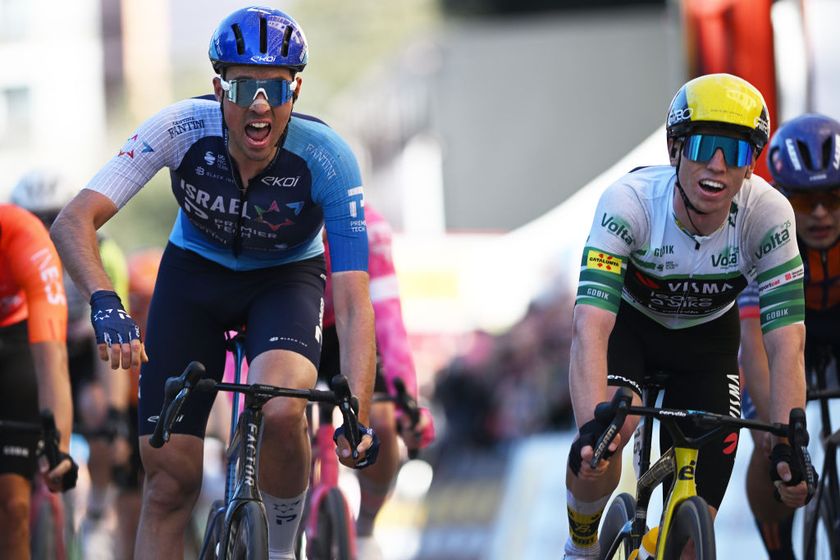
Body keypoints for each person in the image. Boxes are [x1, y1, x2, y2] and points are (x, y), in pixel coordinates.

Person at [49, 6, 378, 560]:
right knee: (168, 486)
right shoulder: (178, 127)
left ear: (295, 91)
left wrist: (358, 413)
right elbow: (72, 220)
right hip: (193, 276)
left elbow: (351, 301)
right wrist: (105, 301)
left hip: (284, 279)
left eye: (274, 89)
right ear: (218, 88)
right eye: (243, 85)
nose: (258, 104)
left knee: (280, 406)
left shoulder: (329, 159)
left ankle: (277, 548)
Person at [563, 73, 812, 559]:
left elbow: (786, 342)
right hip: (629, 332)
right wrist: (590, 428)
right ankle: (581, 543)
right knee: (608, 440)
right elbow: (589, 326)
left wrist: (786, 440)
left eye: (736, 150)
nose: (717, 165)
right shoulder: (629, 202)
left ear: (752, 165)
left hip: (706, 344)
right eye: (703, 145)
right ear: (675, 148)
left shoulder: (769, 215)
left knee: (695, 536)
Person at [11, 169, 133, 556]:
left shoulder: (104, 252)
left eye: (54, 217)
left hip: (83, 352)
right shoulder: (14, 248)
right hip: (30, 350)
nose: (47, 229)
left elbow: (112, 339)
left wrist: (114, 413)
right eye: (36, 219)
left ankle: (97, 509)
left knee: (96, 407)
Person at [738, 113, 840, 560]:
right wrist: (776, 435)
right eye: (803, 200)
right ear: (781, 197)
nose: (820, 213)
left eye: (834, 198)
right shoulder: (761, 234)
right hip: (778, 333)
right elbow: (754, 347)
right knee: (771, 442)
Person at [319, 205, 435, 557]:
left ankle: (366, 524)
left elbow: (388, 318)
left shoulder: (370, 226)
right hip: (300, 321)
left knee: (381, 420)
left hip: (353, 325)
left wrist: (407, 404)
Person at [0, 203, 77, 559]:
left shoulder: (24, 234)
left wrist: (55, 445)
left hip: (14, 343)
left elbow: (51, 359)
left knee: (13, 504)